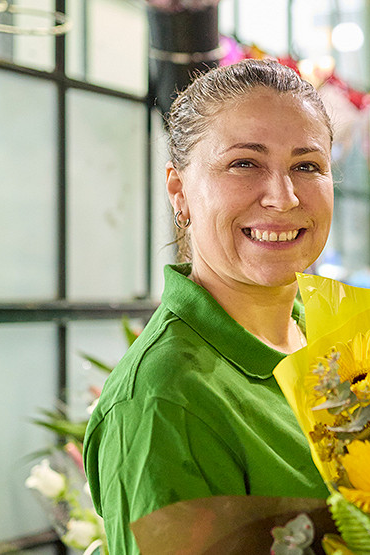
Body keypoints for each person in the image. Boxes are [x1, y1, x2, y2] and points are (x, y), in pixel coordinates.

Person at [83, 59, 334, 553]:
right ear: (180, 191)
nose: (283, 198)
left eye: (306, 165)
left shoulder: (342, 340)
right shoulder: (163, 401)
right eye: (245, 163)